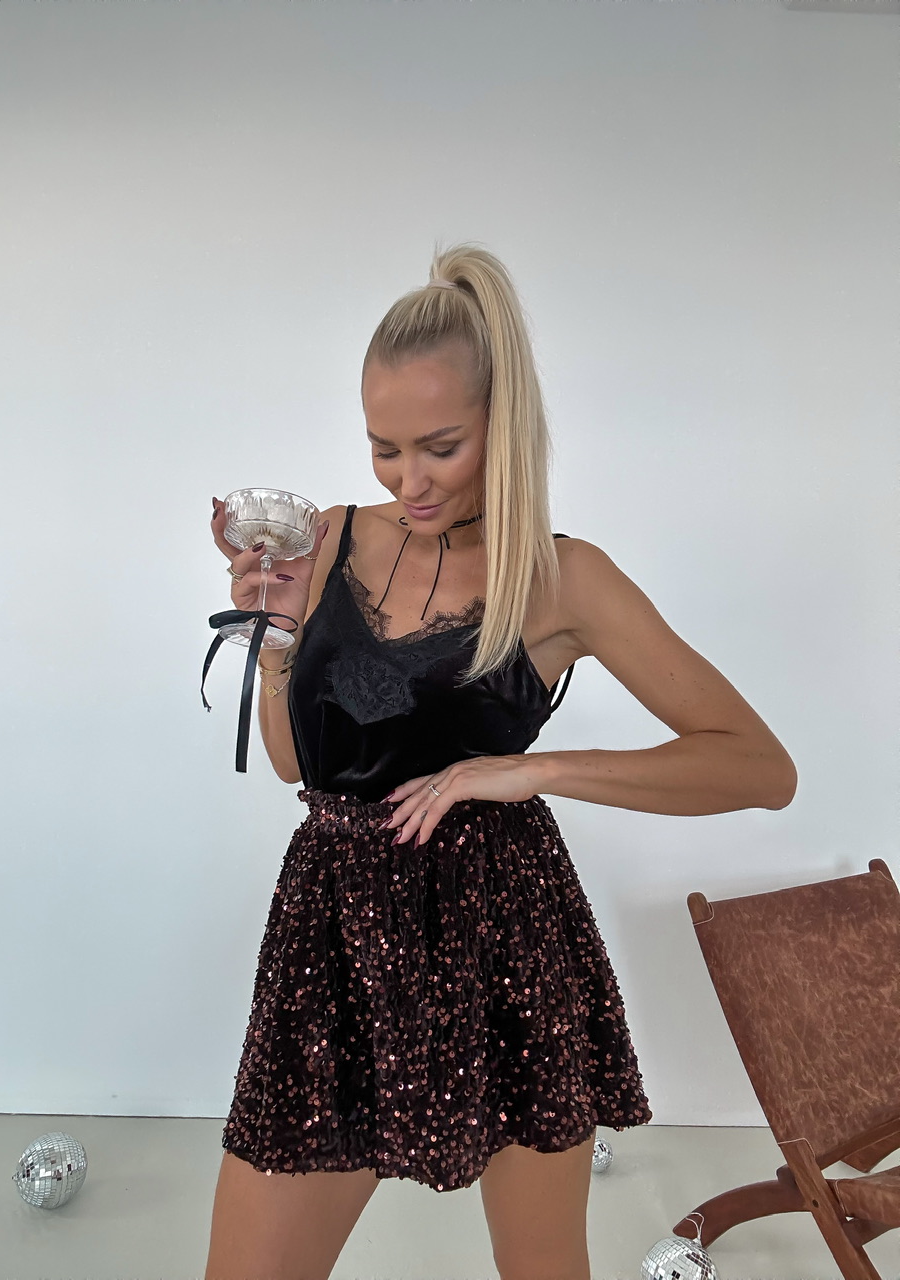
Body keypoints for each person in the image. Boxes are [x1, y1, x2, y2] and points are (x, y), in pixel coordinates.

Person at [203, 244, 797, 1280]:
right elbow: (300, 764)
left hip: (504, 931)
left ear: (503, 422)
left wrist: (533, 769)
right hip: (335, 933)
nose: (408, 481)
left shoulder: (563, 579)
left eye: (441, 446)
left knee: (542, 1266)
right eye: (384, 448)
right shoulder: (329, 537)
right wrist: (278, 642)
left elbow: (758, 766)